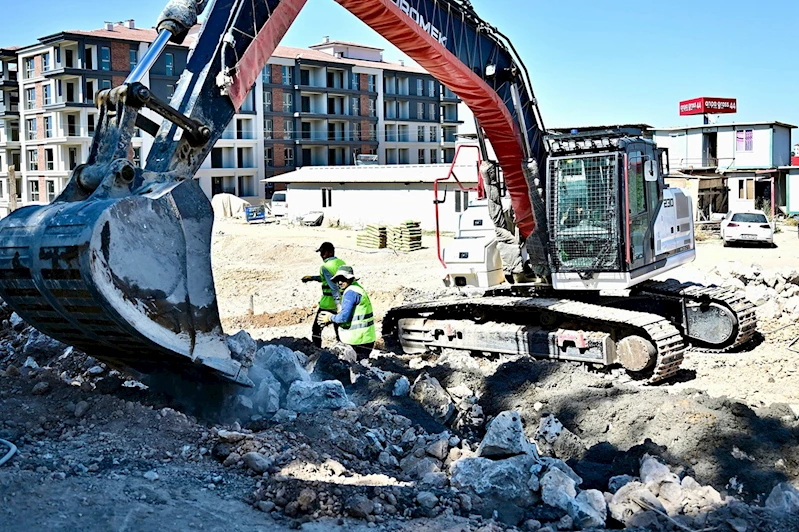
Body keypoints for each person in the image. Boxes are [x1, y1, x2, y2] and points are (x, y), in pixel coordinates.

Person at [319, 265, 376, 360]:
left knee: (355, 369)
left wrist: (329, 318)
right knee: (363, 366)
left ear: (350, 279)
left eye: (343, 279)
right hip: (366, 338)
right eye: (338, 279)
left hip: (357, 340)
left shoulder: (350, 292)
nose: (340, 282)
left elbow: (344, 318)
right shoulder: (357, 288)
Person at [301, 242, 346, 348]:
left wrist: (338, 306)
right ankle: (344, 351)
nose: (321, 255)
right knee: (340, 331)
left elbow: (333, 287)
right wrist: (312, 278)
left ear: (330, 252)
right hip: (343, 302)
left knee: (316, 330)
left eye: (323, 252)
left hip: (329, 305)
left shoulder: (325, 267)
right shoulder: (342, 263)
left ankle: (318, 352)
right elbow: (329, 278)